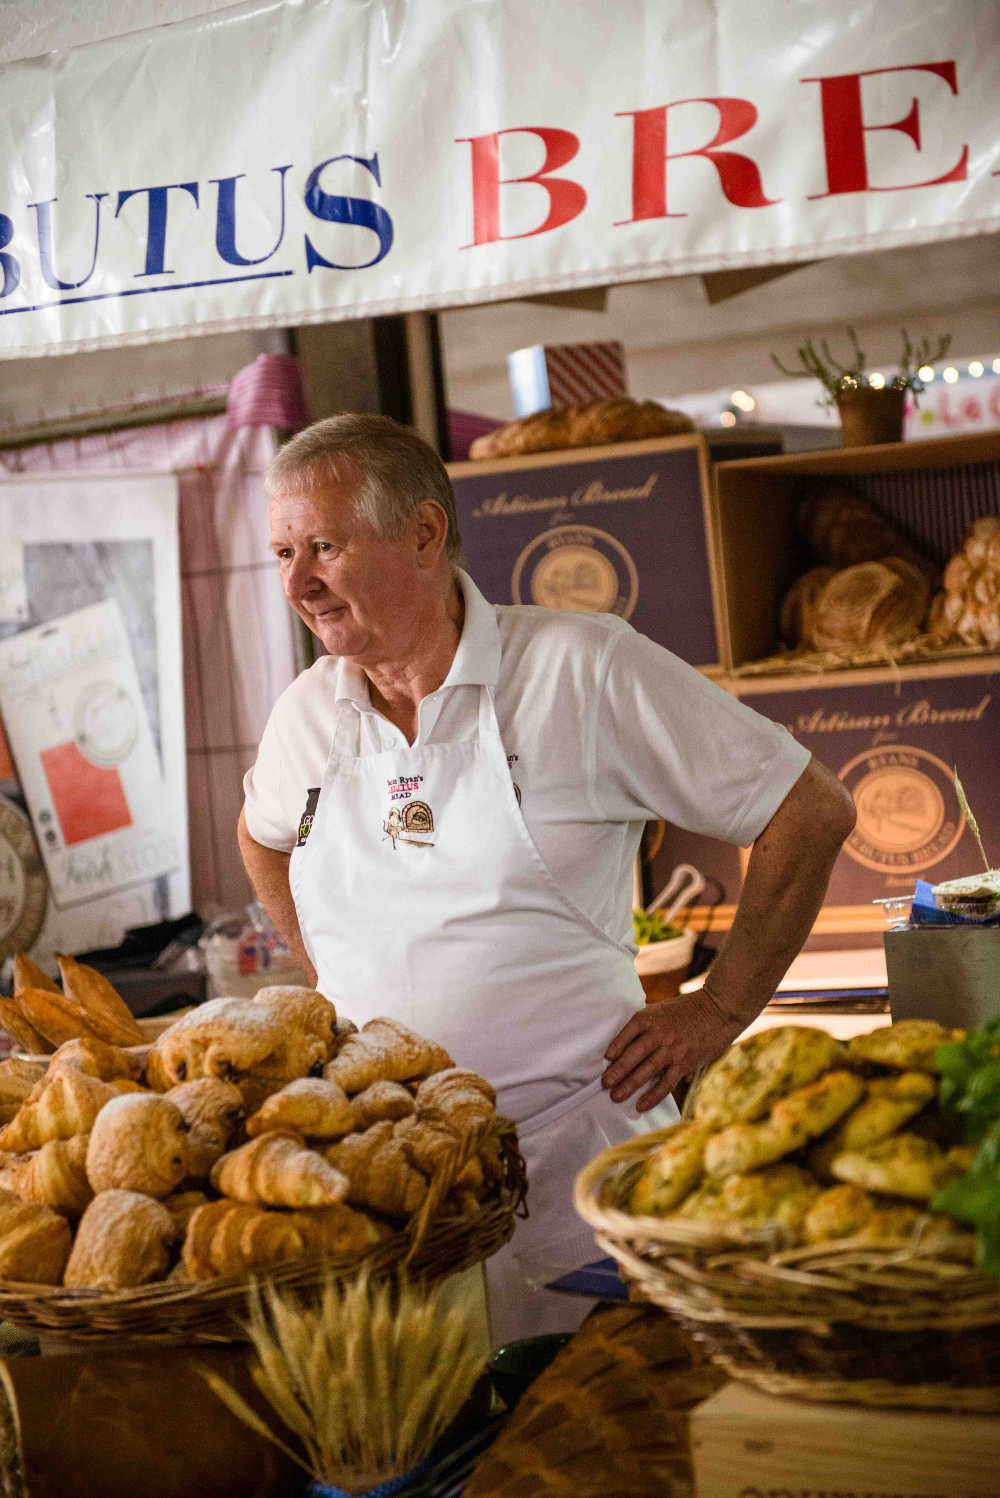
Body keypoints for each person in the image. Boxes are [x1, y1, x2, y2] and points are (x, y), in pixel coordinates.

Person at [238, 412, 856, 1341]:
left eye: (324, 547)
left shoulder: (580, 668)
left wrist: (722, 1007)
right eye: (284, 553)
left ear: (424, 532)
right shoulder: (307, 713)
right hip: (396, 1204)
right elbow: (261, 838)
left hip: (579, 1186)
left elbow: (808, 811)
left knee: (601, 1421)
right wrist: (328, 975)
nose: (297, 584)